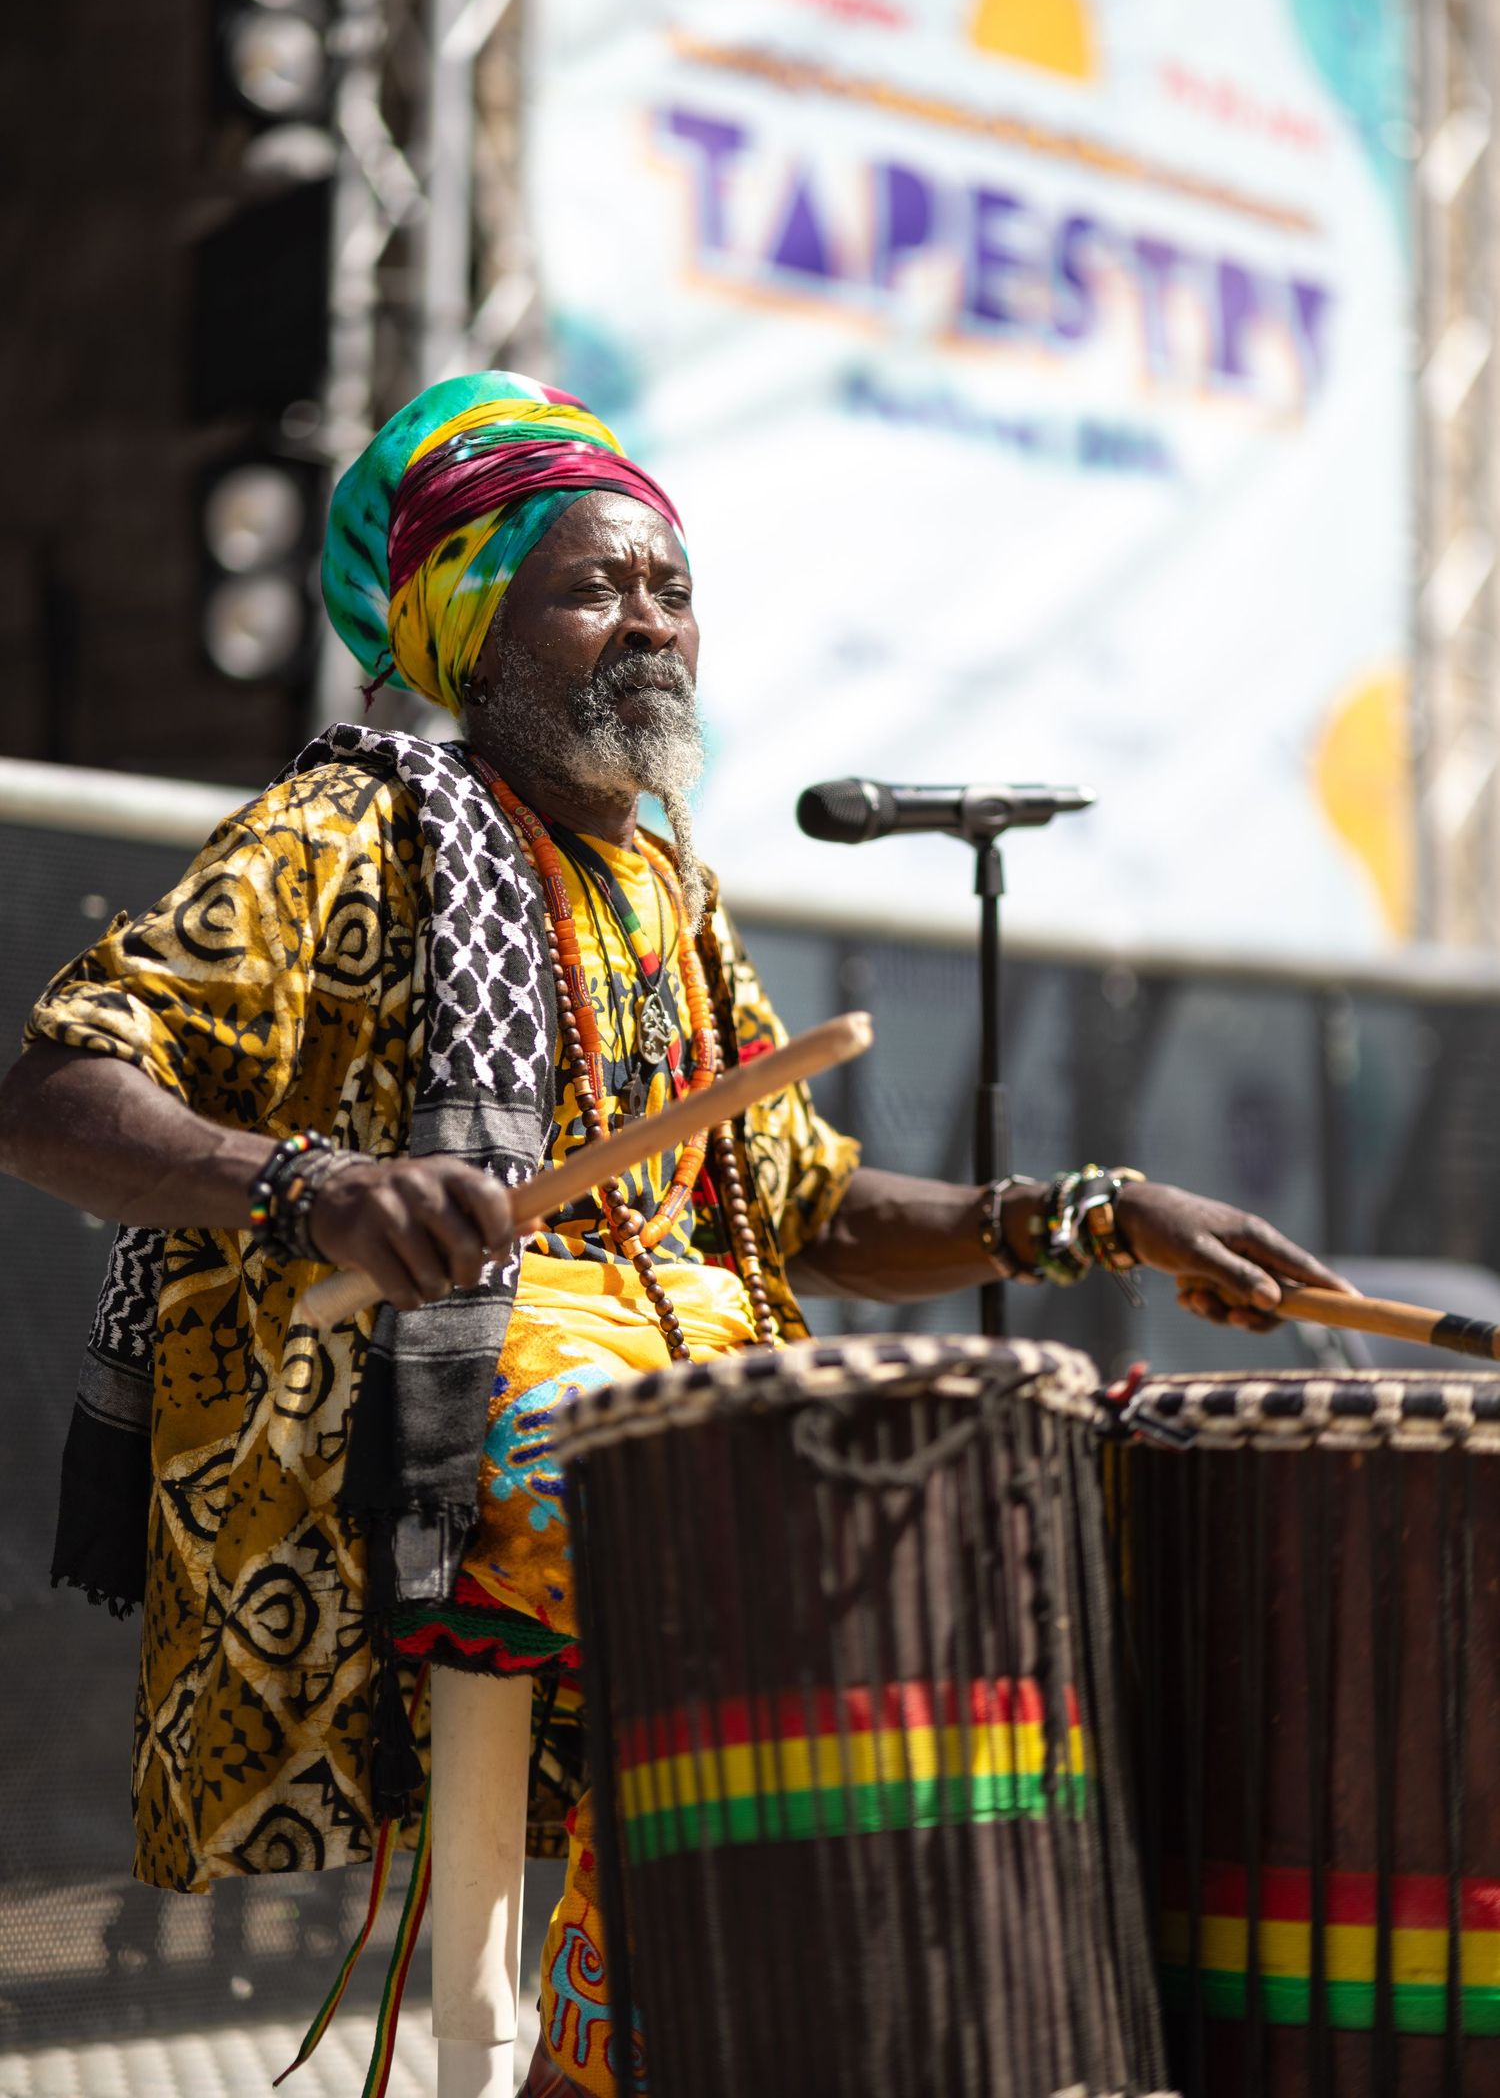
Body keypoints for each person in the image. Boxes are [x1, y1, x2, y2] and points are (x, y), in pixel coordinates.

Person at [0, 373, 1347, 2096]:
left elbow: (803, 1196)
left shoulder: (666, 884)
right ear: (474, 623)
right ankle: (605, 2053)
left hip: (690, 1382)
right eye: (592, 586)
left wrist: (1091, 1214)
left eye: (671, 587)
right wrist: (317, 1183)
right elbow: (57, 1090)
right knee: (755, 1532)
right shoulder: (353, 826)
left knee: (1010, 1517)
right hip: (430, 1386)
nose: (649, 621)